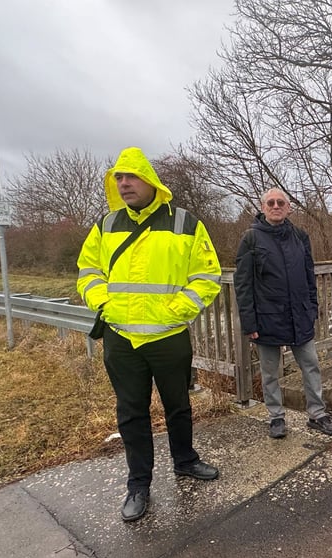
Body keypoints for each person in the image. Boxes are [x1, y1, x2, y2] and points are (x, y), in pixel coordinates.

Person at [77, 147, 222, 522]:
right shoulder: (106, 225)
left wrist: (178, 310)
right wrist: (103, 304)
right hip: (121, 338)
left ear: (150, 181)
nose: (123, 184)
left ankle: (185, 461)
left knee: (179, 406)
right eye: (118, 178)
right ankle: (138, 485)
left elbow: (207, 275)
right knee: (131, 414)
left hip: (169, 335)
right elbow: (88, 271)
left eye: (131, 177)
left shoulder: (185, 223)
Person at [234, 188, 332, 439]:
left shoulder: (300, 236)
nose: (275, 206)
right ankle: (276, 417)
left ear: (289, 207)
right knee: (270, 372)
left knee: (311, 365)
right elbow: (243, 285)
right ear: (262, 207)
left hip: (299, 315)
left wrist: (313, 308)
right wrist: (249, 323)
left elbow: (308, 276)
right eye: (270, 202)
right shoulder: (251, 239)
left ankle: (317, 414)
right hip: (267, 317)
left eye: (280, 202)